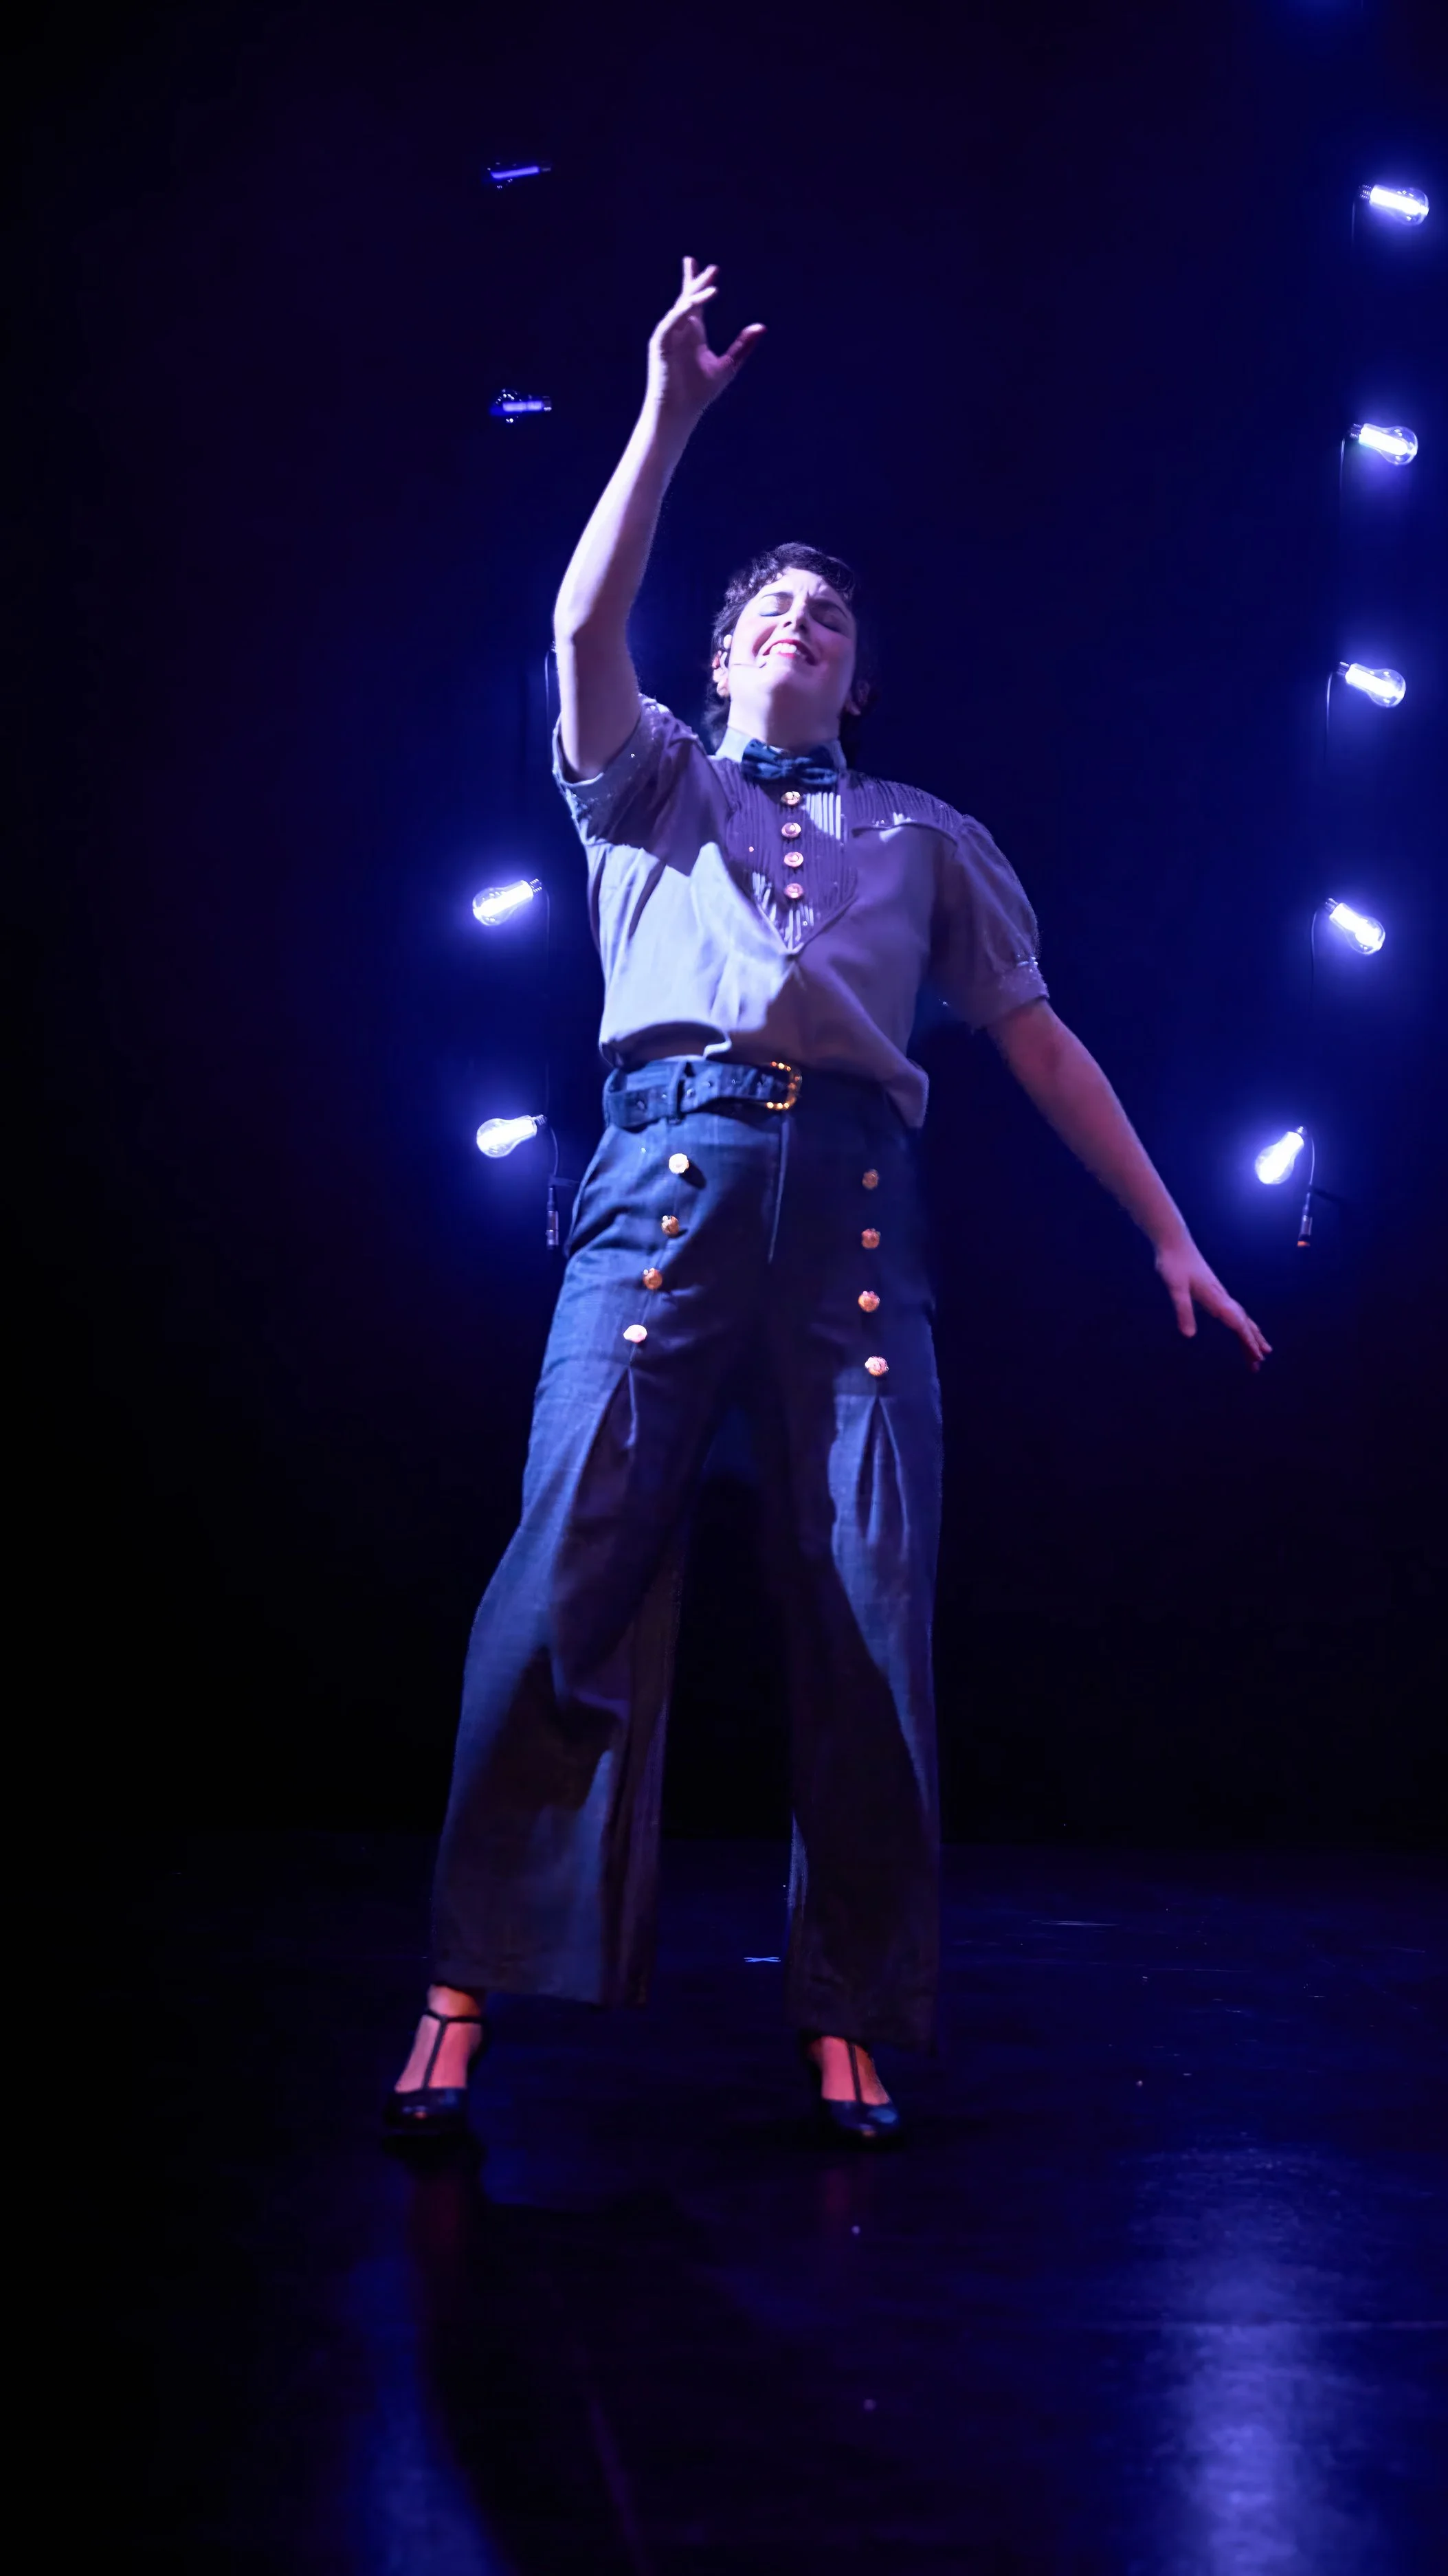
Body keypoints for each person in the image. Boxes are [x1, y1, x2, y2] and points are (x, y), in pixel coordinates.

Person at [388, 259, 1270, 2146]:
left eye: (827, 619)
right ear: (722, 660)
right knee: (559, 1581)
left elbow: (1037, 1042)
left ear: (859, 679)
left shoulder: (930, 838)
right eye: (767, 613)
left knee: (871, 1612)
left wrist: (1168, 1228)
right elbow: (578, 621)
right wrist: (670, 413)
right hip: (660, 1192)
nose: (797, 625)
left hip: (859, 1221)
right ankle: (463, 1985)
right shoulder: (650, 780)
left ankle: (851, 2008)